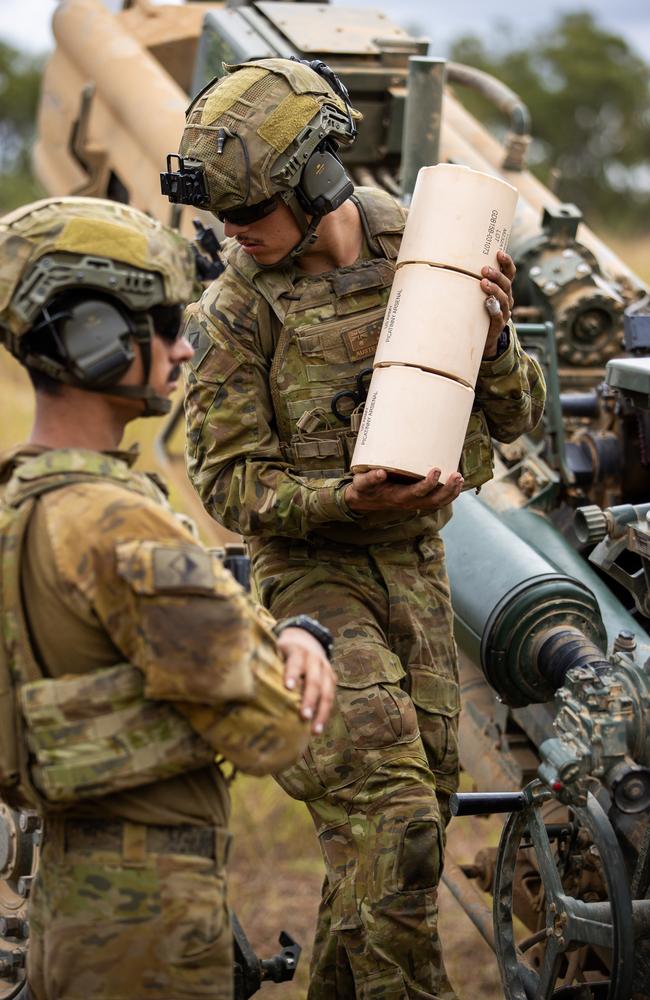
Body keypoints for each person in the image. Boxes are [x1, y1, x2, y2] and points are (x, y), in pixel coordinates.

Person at [168, 57, 546, 1000]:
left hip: (415, 563)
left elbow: (514, 420)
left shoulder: (429, 245)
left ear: (318, 182)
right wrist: (345, 500)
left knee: (403, 837)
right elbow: (226, 481)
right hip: (309, 585)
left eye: (249, 211)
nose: (231, 233)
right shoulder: (235, 314)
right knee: (395, 825)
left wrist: (496, 336)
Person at [0, 195, 336, 1000]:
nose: (184, 348)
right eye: (163, 324)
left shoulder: (22, 505)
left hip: (68, 903)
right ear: (92, 337)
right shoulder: (120, 523)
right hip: (151, 918)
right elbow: (273, 734)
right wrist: (301, 645)